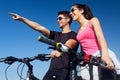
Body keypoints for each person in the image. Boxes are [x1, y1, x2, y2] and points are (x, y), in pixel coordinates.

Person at [9, 11, 79, 80]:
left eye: (60, 18)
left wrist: (60, 51)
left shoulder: (73, 35)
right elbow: (38, 27)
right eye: (57, 19)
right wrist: (22, 19)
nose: (58, 20)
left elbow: (70, 43)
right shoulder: (56, 35)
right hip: (52, 70)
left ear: (68, 19)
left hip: (65, 70)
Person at [70, 3, 120, 80]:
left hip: (99, 54)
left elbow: (101, 37)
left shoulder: (93, 21)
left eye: (72, 10)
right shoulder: (78, 29)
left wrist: (105, 55)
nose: (70, 13)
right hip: (88, 59)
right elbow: (83, 46)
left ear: (81, 11)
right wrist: (81, 58)